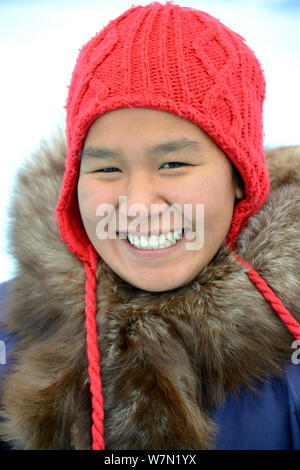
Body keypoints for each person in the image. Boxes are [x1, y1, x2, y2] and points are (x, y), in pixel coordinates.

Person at [0, 1, 299, 450]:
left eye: (173, 162)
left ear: (239, 175)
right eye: (106, 170)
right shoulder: (10, 330)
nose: (137, 205)